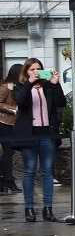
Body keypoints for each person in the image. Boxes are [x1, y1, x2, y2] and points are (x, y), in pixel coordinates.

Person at [13, 58, 66, 222]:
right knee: (29, 171)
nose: (35, 72)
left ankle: (48, 208)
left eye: (38, 69)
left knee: (47, 172)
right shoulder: (20, 87)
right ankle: (29, 208)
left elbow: (61, 102)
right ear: (26, 72)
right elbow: (20, 102)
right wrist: (30, 82)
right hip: (29, 134)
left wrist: (55, 83)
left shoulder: (48, 87)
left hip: (47, 134)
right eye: (32, 69)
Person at [0, 63, 24, 193]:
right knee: (8, 151)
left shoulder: (18, 86)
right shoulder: (5, 87)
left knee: (8, 151)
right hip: (4, 122)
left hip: (13, 123)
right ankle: (8, 180)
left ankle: (5, 180)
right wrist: (14, 109)